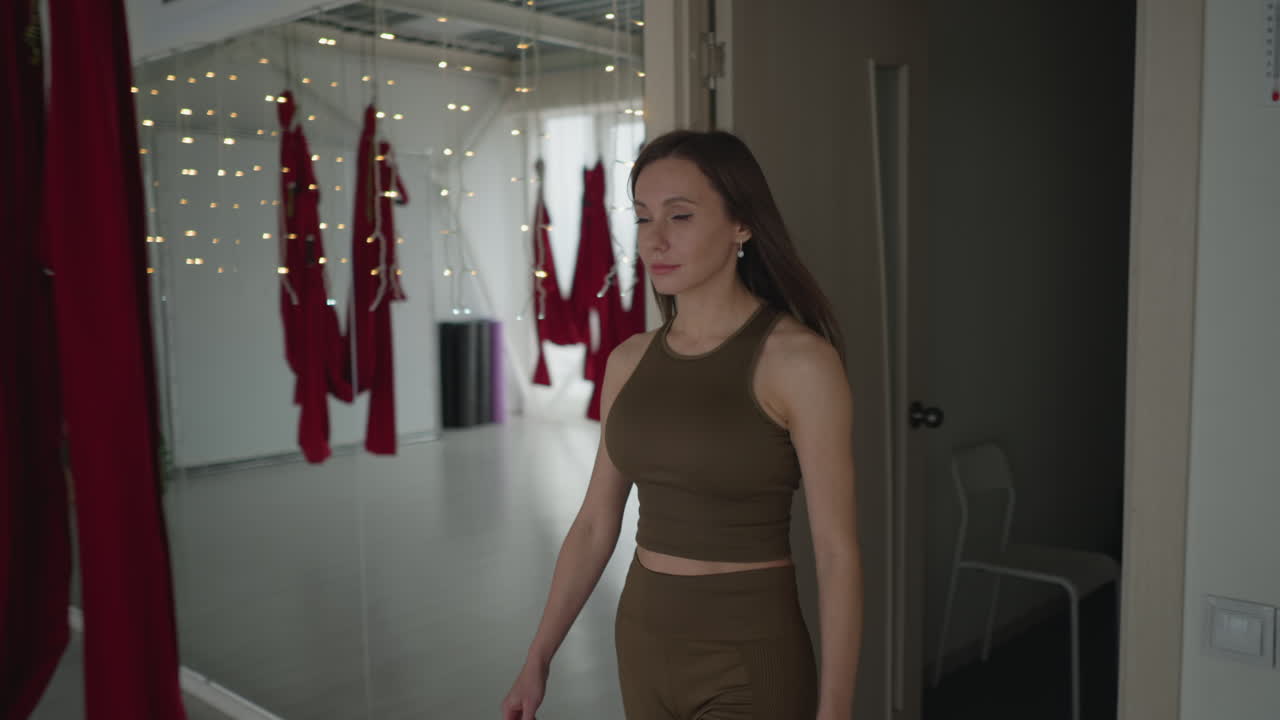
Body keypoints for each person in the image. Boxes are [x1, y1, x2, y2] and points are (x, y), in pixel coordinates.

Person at [501, 130, 863, 720]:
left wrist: (837, 712)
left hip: (748, 659)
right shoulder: (628, 361)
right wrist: (538, 657)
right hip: (642, 645)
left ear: (741, 224)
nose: (655, 240)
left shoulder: (801, 363)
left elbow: (836, 553)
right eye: (643, 218)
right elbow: (596, 523)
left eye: (682, 216)